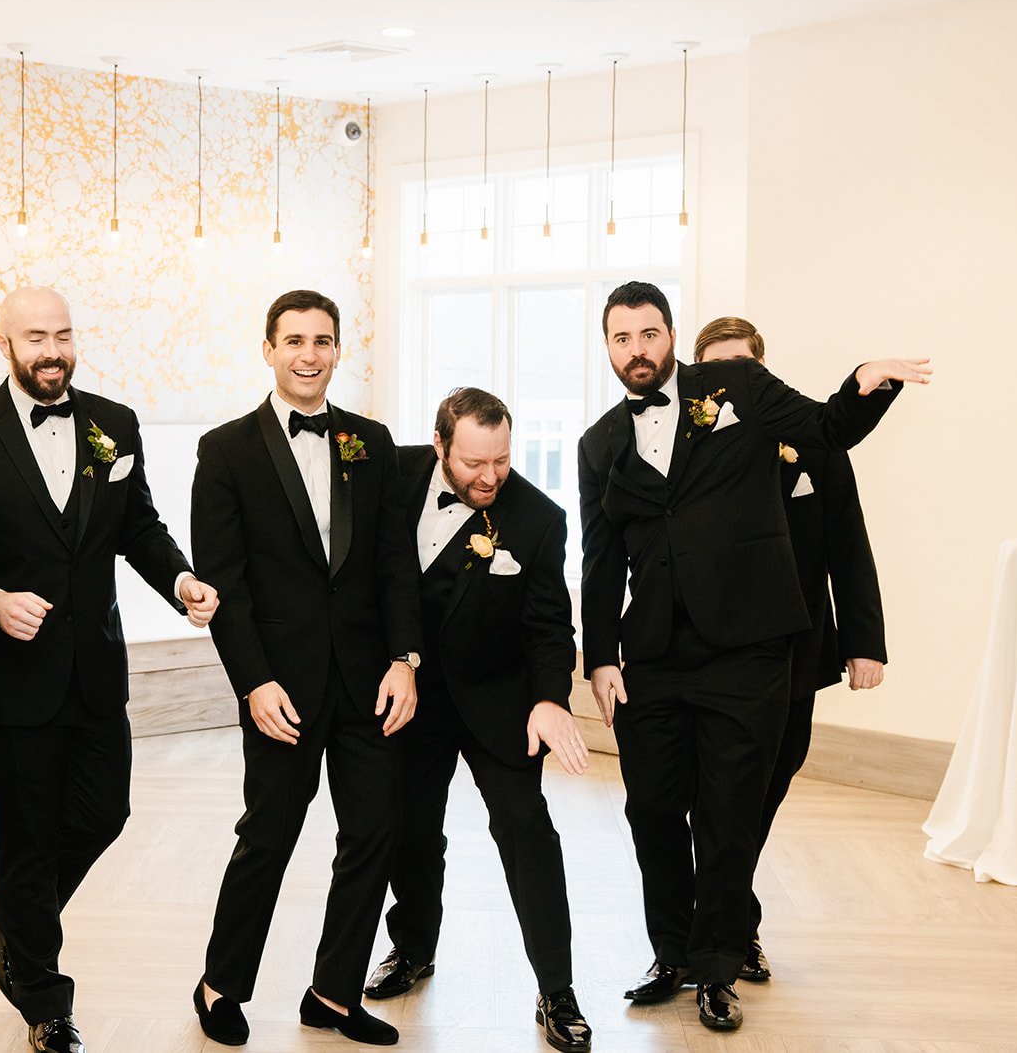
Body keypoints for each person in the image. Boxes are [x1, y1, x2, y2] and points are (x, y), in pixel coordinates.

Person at [577, 281, 929, 1031]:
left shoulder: (735, 386)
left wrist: (866, 381)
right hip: (653, 656)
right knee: (651, 809)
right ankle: (670, 953)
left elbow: (830, 428)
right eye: (621, 338)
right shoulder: (598, 441)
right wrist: (600, 655)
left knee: (730, 814)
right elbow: (600, 558)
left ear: (671, 335)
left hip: (746, 651)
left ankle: (716, 968)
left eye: (648, 333)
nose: (637, 349)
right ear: (606, 346)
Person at [0, 285, 218, 1053]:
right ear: (4, 343)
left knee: (105, 813)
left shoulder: (114, 423)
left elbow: (138, 525)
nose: (53, 351)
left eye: (64, 335)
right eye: (35, 337)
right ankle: (46, 1002)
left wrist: (180, 580)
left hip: (97, 667)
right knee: (27, 837)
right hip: (12, 674)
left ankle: (11, 914)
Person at [192, 289, 423, 1048]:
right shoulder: (225, 450)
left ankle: (333, 991)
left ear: (337, 350)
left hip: (367, 681)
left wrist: (405, 659)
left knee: (375, 831)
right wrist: (253, 682)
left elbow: (395, 563)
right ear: (268, 350)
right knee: (270, 835)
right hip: (280, 687)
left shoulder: (371, 441)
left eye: (322, 341)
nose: (308, 355)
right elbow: (225, 583)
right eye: (293, 341)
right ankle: (220, 984)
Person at [364, 388, 591, 1053]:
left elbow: (550, 627)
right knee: (409, 830)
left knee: (527, 830)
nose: (490, 476)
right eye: (473, 463)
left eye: (502, 459)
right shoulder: (394, 474)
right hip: (413, 696)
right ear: (439, 445)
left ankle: (557, 990)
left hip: (501, 701)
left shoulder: (539, 519)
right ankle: (413, 948)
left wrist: (550, 698)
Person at [694, 316, 887, 982]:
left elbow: (847, 544)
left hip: (796, 650)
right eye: (716, 369)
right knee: (719, 796)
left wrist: (864, 643)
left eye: (743, 367)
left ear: (763, 370)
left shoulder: (811, 441)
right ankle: (730, 927)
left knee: (768, 783)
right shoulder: (686, 447)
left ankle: (723, 914)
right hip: (712, 653)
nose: (731, 380)